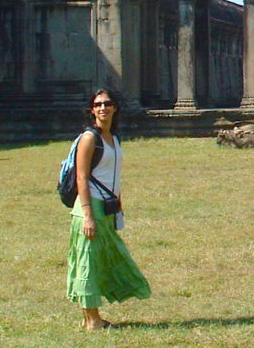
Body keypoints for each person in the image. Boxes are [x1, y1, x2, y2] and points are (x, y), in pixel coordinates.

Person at [67, 88, 151, 330]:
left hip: (107, 206)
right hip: (89, 207)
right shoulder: (88, 138)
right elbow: (82, 178)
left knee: (103, 259)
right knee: (87, 263)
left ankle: (89, 318)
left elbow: (114, 176)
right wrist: (88, 216)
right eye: (98, 104)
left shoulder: (113, 138)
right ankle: (93, 320)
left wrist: (118, 210)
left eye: (107, 103)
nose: (103, 108)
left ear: (115, 107)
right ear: (92, 110)